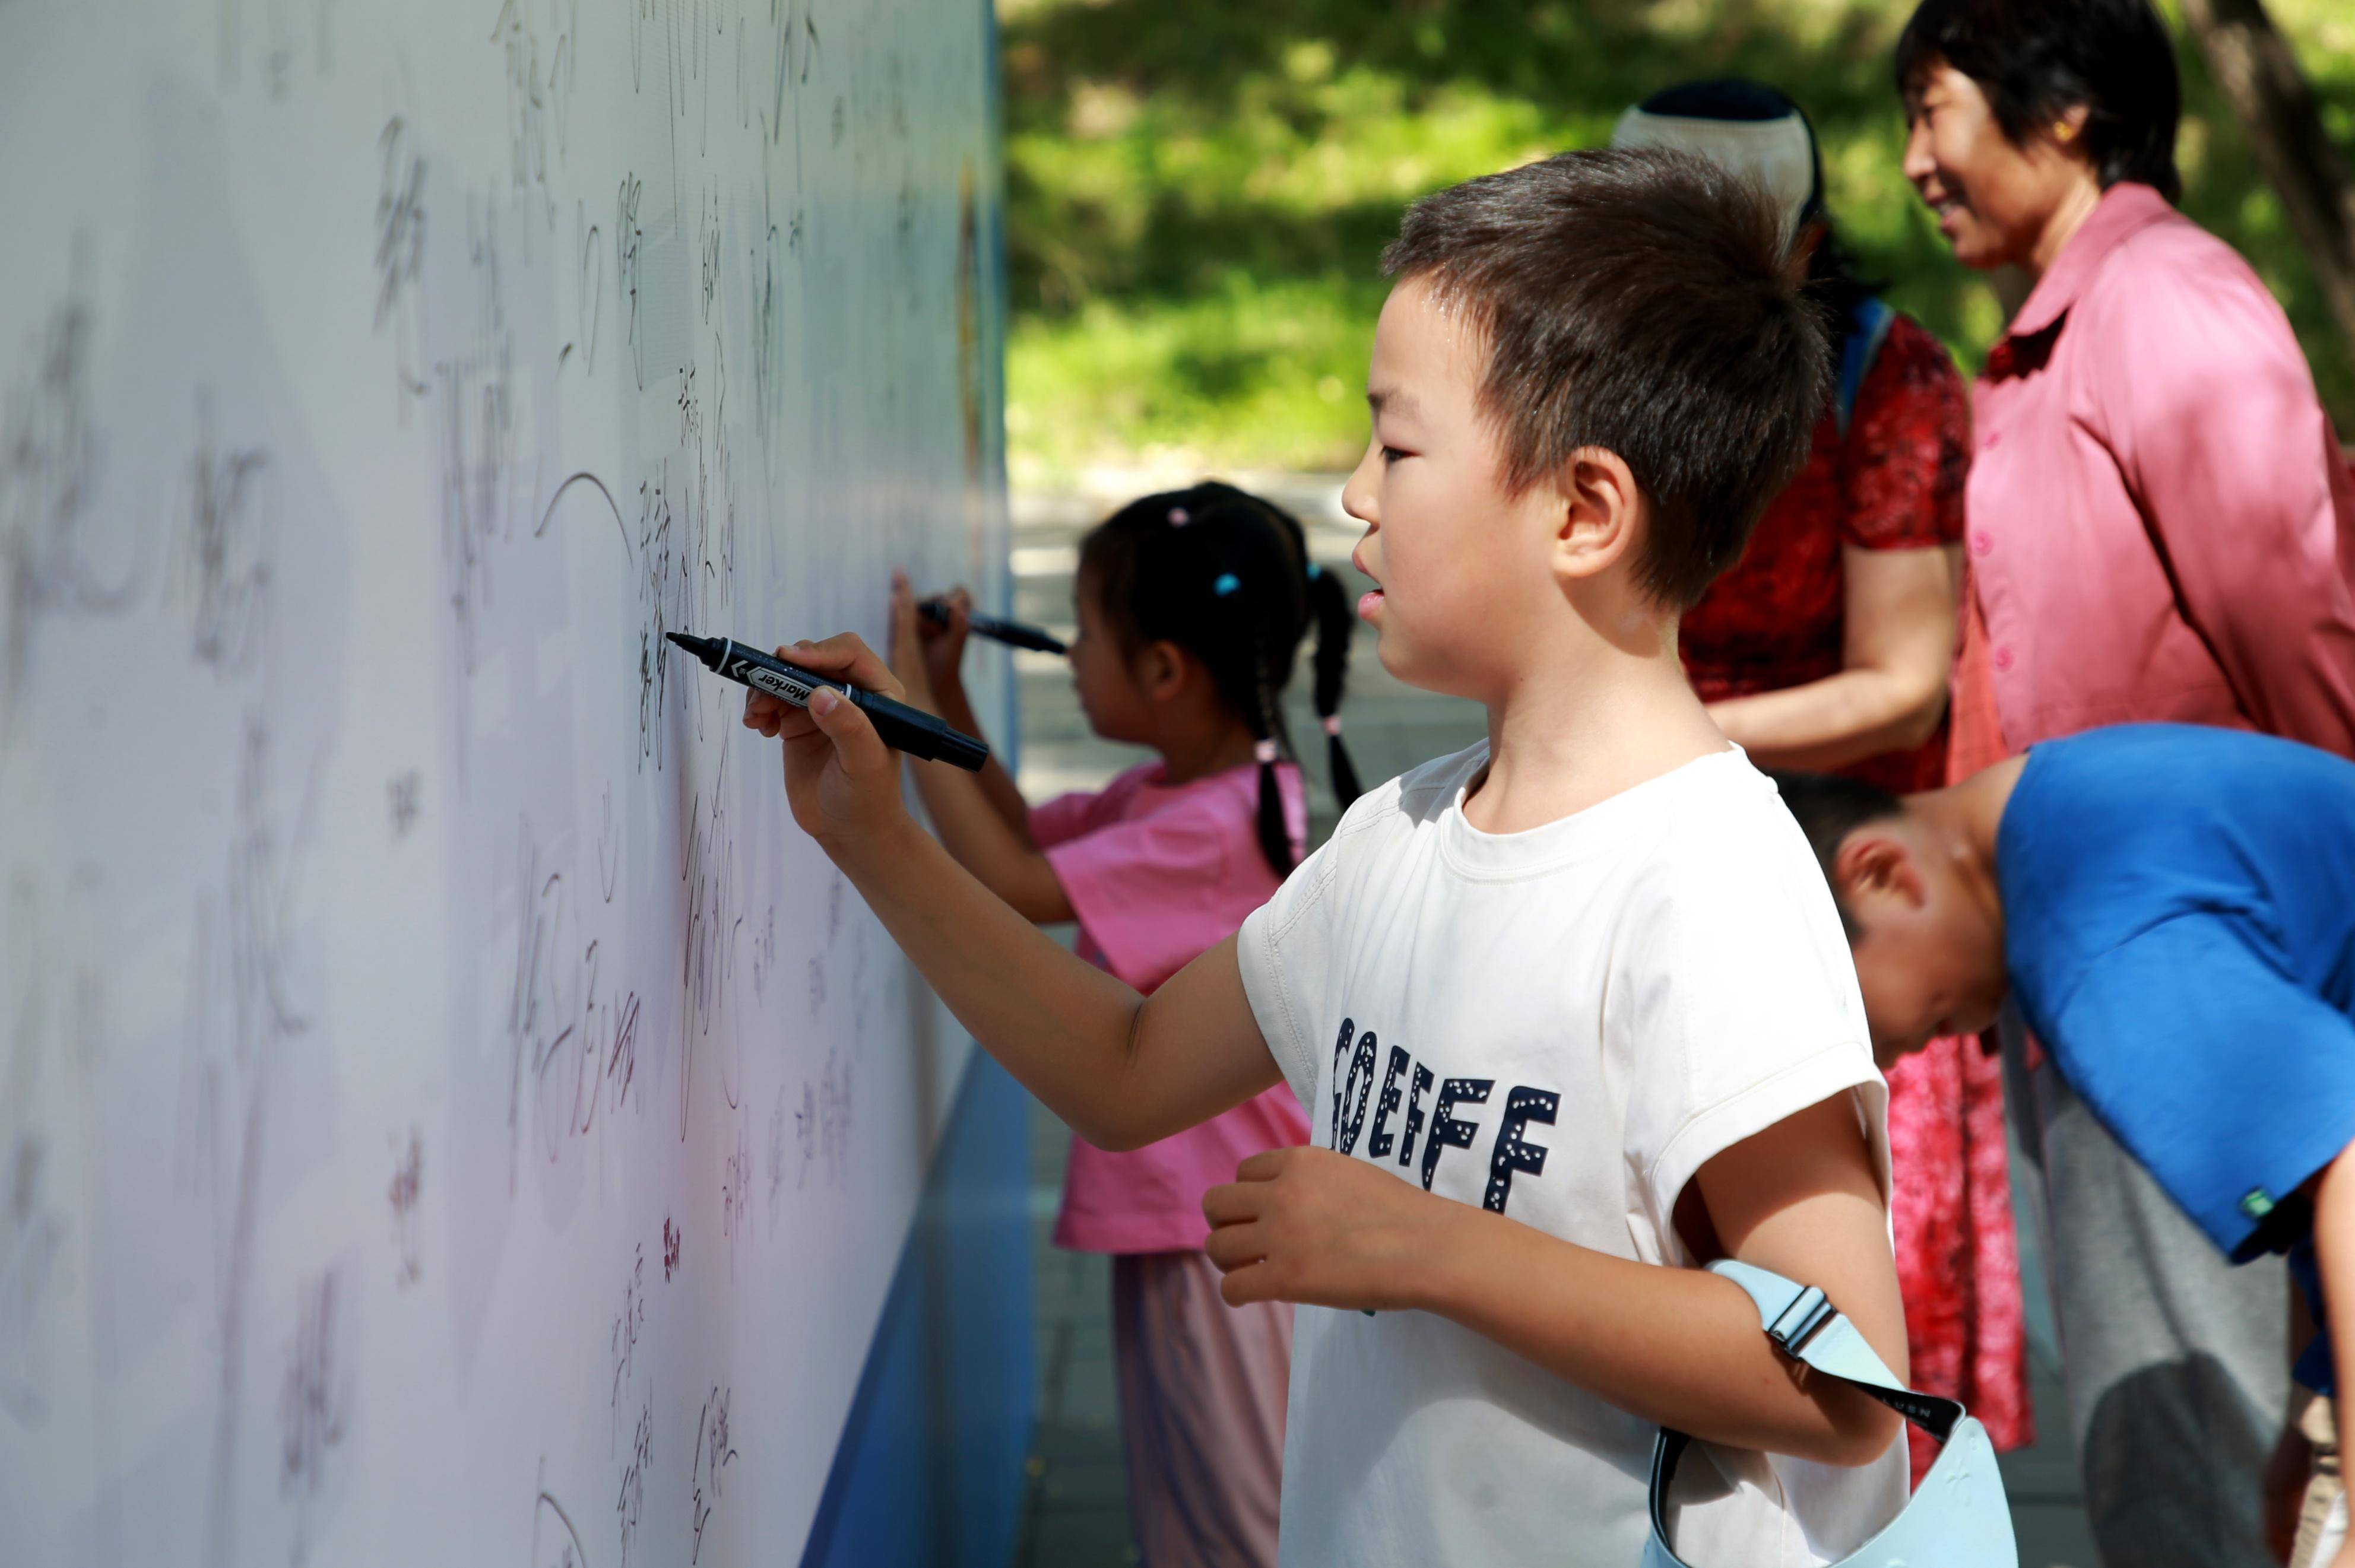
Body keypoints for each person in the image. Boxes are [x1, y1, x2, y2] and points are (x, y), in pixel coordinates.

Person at [746, 147, 1912, 1566]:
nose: (1353, 494)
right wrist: (874, 839)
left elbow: (1843, 1377)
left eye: (1398, 447)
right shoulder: (1396, 839)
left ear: (1584, 512)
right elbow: (1124, 1069)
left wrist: (1424, 1247)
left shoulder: (1707, 881)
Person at [1894, 1, 2355, 1557]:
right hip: (2104, 947)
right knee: (2182, 1439)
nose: (1914, 160)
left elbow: (2302, 629)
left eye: (1936, 110)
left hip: (2185, 956)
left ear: (2068, 112)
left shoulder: (2166, 305)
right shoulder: (2057, 329)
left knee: (2188, 1446)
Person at [1615, 78, 2027, 1481]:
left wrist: (1673, 741)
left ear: (1801, 247)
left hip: (1835, 886)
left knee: (1855, 1318)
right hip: (1637, 845)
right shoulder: (1572, 359)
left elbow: (1901, 679)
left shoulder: (1886, 379)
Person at [887, 480, 1359, 1567]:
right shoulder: (1198, 788)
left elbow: (1005, 879)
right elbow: (1014, 836)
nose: (1068, 650)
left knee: (1241, 1518)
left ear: (1163, 671)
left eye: (1087, 633)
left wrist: (903, 706)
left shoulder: (1203, 822)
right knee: (1183, 1508)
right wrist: (946, 695)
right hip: (1183, 1217)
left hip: (1216, 1239)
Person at [1773, 723, 2355, 1567]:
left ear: (1880, 873)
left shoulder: (2094, 938)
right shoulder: (2068, 794)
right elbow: (2311, 1165)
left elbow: (2345, 1159)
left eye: (1844, 1016)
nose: (1884, 1058)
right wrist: (2312, 1411)